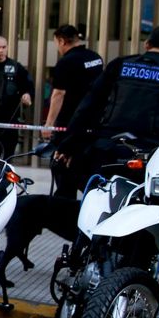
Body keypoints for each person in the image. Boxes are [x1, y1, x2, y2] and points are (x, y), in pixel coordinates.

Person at [56, 25, 159, 195]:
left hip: (107, 149)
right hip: (149, 155)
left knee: (97, 202)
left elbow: (88, 106)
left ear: (147, 44)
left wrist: (68, 145)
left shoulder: (120, 65)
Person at [40, 25, 104, 196]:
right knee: (88, 174)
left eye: (57, 43)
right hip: (93, 125)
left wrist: (49, 124)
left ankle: (64, 212)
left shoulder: (66, 62)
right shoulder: (95, 58)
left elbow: (58, 94)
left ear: (61, 40)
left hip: (69, 126)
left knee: (64, 172)